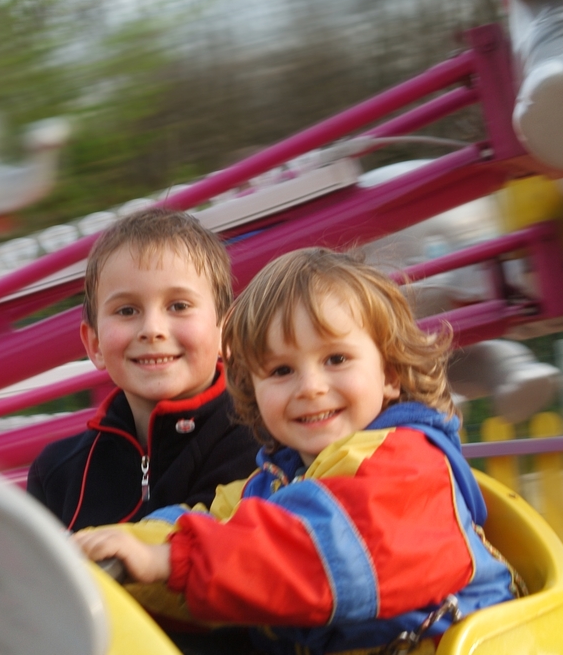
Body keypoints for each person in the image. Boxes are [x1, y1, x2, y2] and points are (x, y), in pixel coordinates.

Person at [74, 247, 522, 655]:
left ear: (389, 373)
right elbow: (206, 523)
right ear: (252, 389)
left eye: (336, 360)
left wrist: (171, 559)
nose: (311, 388)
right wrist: (111, 549)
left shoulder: (407, 468)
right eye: (282, 370)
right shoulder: (274, 481)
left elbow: (318, 555)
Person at [26, 207, 260, 533]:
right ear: (94, 344)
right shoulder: (57, 474)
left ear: (226, 330)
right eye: (127, 310)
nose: (152, 329)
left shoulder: (262, 442)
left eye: (178, 306)